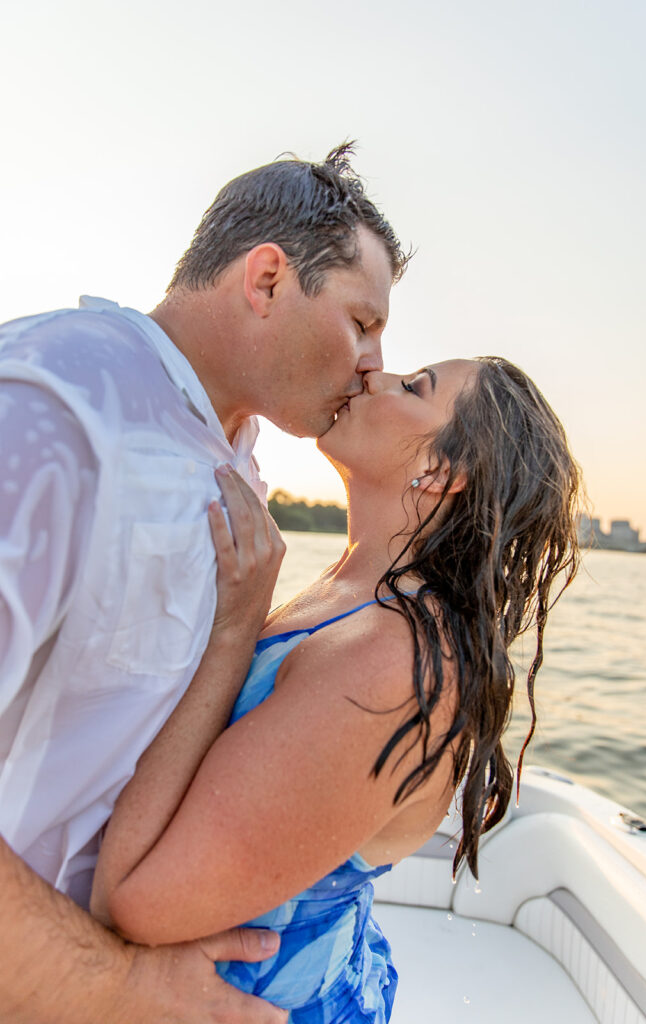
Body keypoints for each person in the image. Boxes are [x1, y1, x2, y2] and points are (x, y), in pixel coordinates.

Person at [0, 144, 408, 1022]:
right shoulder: (51, 406)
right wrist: (111, 987)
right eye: (362, 322)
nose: (374, 363)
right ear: (265, 280)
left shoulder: (234, 461)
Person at [91, 356, 582, 1021]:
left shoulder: (396, 660)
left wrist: (234, 631)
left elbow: (135, 903)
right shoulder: (353, 592)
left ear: (441, 473)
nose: (374, 376)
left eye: (413, 388)